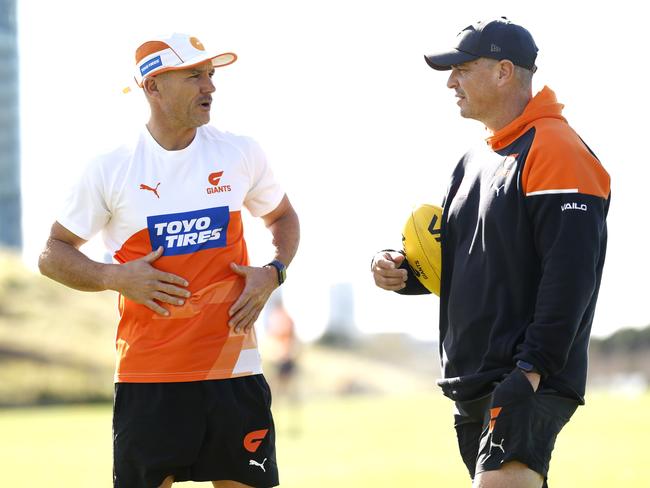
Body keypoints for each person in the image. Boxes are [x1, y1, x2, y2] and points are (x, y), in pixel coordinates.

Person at [38, 33, 300, 488]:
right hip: (149, 377)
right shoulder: (111, 167)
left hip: (235, 375)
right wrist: (114, 277)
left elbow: (282, 216)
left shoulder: (240, 151)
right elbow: (51, 255)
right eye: (195, 76)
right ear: (153, 87)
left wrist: (273, 271)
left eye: (211, 76)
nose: (210, 88)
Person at [371, 17, 610, 488]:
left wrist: (532, 371)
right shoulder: (473, 159)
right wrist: (401, 271)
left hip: (526, 374)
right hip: (472, 378)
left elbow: (572, 275)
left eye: (462, 67)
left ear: (504, 71)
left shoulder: (557, 150)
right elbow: (462, 260)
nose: (450, 81)